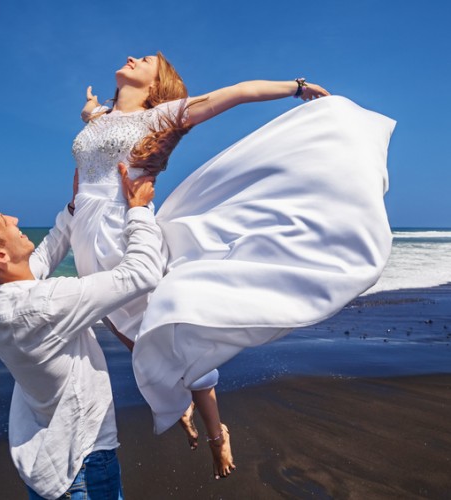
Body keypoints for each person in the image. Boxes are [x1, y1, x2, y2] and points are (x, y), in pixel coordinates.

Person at [72, 51, 330, 478]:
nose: (133, 58)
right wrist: (89, 114)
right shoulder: (98, 117)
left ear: (157, 85)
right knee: (125, 331)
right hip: (84, 227)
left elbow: (238, 93)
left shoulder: (164, 116)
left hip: (125, 226)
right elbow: (85, 162)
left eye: (146, 60)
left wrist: (296, 87)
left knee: (170, 329)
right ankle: (179, 398)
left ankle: (216, 430)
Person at [0, 166, 161, 499]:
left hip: (47, 467)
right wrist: (138, 210)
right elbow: (141, 274)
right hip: (84, 466)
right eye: (4, 222)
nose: (15, 219)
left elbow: (43, 258)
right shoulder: (45, 304)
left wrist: (73, 209)